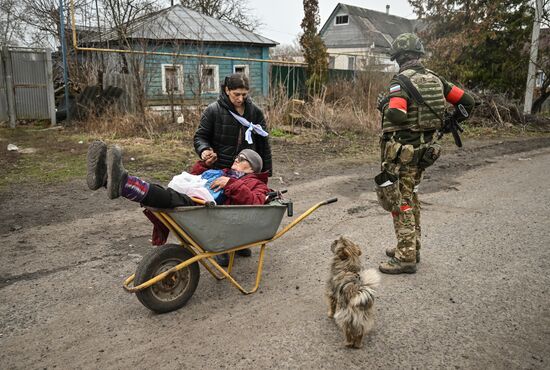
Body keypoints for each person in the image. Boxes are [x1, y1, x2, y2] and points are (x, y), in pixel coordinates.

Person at [376, 33, 475, 274]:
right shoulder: (436, 79)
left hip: (402, 154)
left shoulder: (400, 82)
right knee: (411, 196)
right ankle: (411, 246)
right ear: (419, 55)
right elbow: (468, 102)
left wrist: (384, 105)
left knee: (400, 201)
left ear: (399, 57)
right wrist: (450, 119)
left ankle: (406, 257)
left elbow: (398, 114)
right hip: (426, 152)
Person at [86, 141, 269, 266]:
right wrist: (204, 165)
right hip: (199, 204)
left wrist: (230, 183)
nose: (235, 160)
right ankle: (105, 179)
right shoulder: (224, 171)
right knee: (164, 195)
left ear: (252, 167)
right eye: (237, 157)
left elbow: (255, 203)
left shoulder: (256, 183)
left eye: (241, 159)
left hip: (209, 213)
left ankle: (122, 183)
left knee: (167, 198)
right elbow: (194, 178)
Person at [194, 73, 272, 175]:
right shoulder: (213, 111)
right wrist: (204, 150)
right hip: (219, 168)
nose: (240, 99)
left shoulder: (255, 112)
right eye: (236, 94)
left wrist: (265, 173)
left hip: (245, 171)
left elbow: (263, 144)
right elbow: (200, 137)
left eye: (244, 95)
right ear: (227, 90)